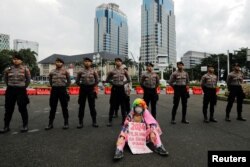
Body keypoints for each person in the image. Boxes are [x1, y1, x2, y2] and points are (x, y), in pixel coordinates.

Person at [0, 52, 31, 133]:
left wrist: (23, 87)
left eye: (17, 59)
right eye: (14, 59)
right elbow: (5, 79)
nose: (15, 61)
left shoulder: (25, 69)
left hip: (21, 90)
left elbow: (28, 80)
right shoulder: (8, 69)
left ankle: (25, 125)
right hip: (10, 90)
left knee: (22, 108)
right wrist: (9, 86)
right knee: (8, 109)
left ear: (21, 61)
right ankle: (6, 126)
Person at [45, 58, 71, 130]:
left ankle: (66, 123)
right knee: (53, 107)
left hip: (63, 90)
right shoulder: (52, 71)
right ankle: (50, 124)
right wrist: (52, 85)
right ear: (55, 63)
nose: (58, 63)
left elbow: (69, 81)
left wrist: (66, 87)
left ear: (62, 63)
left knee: (64, 107)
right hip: (54, 90)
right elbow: (50, 79)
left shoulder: (66, 71)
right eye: (57, 62)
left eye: (60, 62)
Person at [106, 58, 131, 127]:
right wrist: (113, 82)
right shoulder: (112, 71)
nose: (118, 62)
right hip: (114, 89)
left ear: (121, 62)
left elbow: (128, 79)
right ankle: (110, 121)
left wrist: (123, 83)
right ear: (115, 62)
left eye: (119, 61)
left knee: (123, 105)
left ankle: (124, 121)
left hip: (121, 89)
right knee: (112, 105)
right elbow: (107, 79)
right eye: (116, 61)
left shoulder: (124, 71)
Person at [76, 57, 99, 128]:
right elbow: (77, 81)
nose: (87, 62)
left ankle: (94, 121)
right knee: (81, 106)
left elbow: (97, 80)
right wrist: (82, 86)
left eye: (88, 61)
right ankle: (80, 122)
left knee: (92, 106)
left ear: (91, 63)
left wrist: (92, 86)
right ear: (83, 62)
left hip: (91, 90)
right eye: (85, 61)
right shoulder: (80, 71)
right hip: (82, 89)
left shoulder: (94, 71)